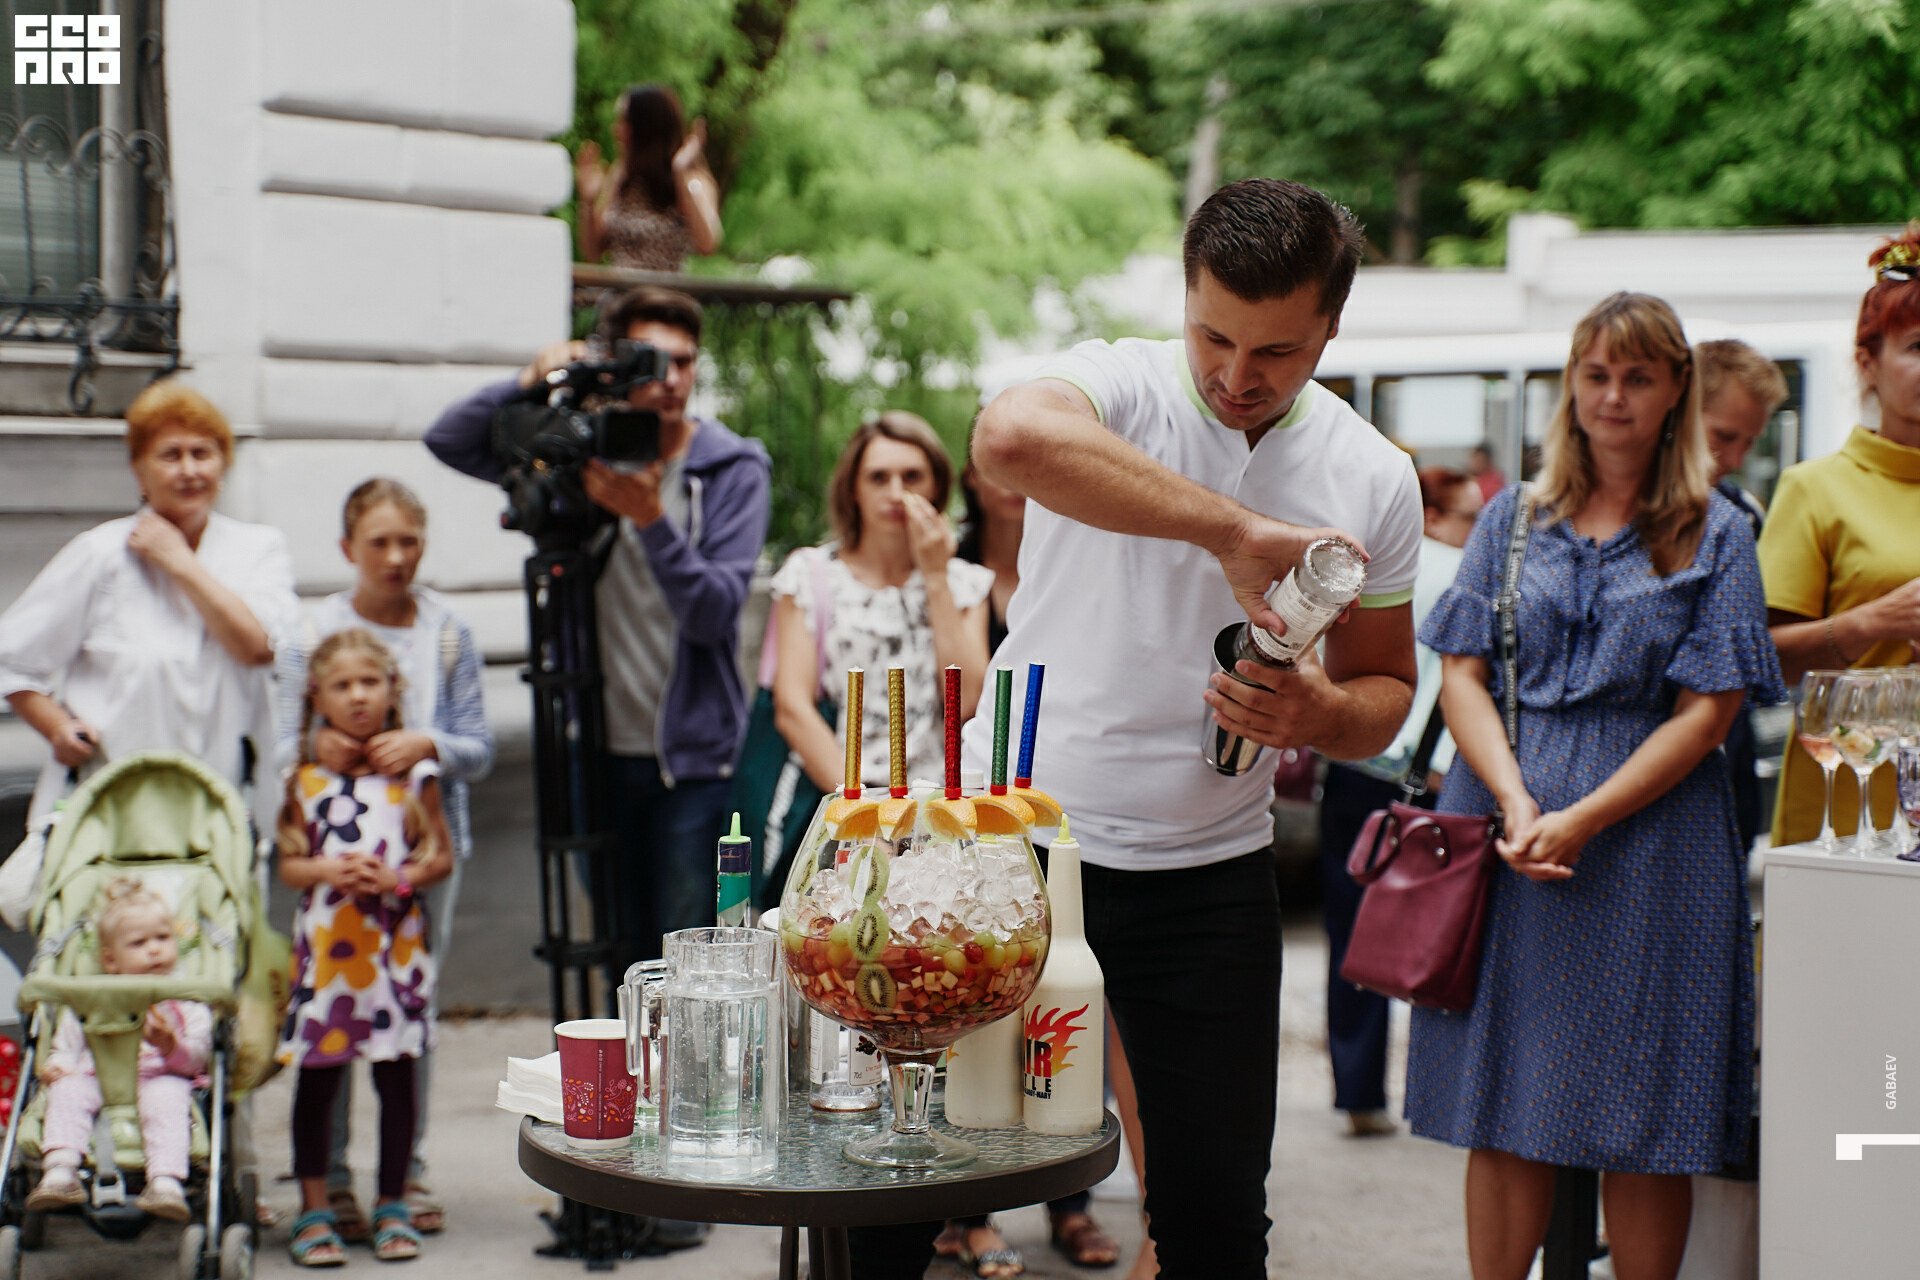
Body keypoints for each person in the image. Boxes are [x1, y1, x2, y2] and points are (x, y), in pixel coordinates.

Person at [962, 178, 1425, 1278]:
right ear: (1185, 297)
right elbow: (1006, 441)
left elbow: (1387, 690)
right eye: (1213, 334)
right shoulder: (1120, 384)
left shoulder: (1374, 474)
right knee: (916, 1183)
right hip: (1011, 845)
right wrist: (1235, 532)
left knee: (1216, 1222)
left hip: (1208, 873)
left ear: (1331, 329)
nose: (1235, 373)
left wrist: (1321, 712)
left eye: (1277, 350)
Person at [1404, 292, 1784, 1280]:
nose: (1613, 396)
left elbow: (1707, 713)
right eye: (1597, 374)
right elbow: (1461, 675)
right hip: (1508, 837)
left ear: (1676, 390)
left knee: (1649, 1111)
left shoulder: (1717, 530)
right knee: (1504, 1100)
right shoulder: (1512, 517)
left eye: (1638, 377)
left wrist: (1582, 816)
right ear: (1571, 385)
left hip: (1654, 849)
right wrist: (1517, 801)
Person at [425, 286, 771, 984]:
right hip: (591, 751)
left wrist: (651, 520)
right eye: (650, 361)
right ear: (615, 366)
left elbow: (713, 613)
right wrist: (535, 378)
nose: (670, 379)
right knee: (618, 957)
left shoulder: (731, 467)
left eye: (684, 362)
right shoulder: (582, 452)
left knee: (686, 964)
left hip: (690, 765)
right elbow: (449, 439)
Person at [274, 478, 495, 1242]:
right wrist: (317, 745)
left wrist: (426, 742)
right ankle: (331, 1179)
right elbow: (283, 744)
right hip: (331, 854)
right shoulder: (310, 634)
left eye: (410, 542)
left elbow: (478, 748)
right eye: (379, 543)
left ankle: (408, 1171)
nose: (396, 557)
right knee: (331, 1024)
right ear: (348, 548)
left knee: (407, 1015)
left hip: (420, 846)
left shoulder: (447, 633)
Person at [0, 380, 298, 835]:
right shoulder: (100, 554)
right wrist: (57, 728)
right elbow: (12, 660)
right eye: (170, 455)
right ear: (139, 471)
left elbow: (258, 647)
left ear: (223, 464)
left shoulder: (258, 549)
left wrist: (179, 562)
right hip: (113, 806)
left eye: (202, 453)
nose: (189, 470)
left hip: (221, 807)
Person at [277, 630, 454, 1266]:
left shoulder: (414, 777)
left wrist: (397, 879)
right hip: (328, 959)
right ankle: (315, 1209)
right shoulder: (305, 780)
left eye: (370, 683)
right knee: (318, 1082)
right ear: (317, 697)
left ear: (392, 690)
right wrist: (328, 870)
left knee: (396, 1079)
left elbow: (440, 856)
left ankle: (392, 1203)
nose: (357, 697)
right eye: (342, 685)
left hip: (392, 958)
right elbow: (289, 866)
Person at [1316, 464, 1481, 1140]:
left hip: (1356, 767)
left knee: (1351, 934)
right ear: (1432, 518)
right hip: (1435, 780)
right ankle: (1442, 1091)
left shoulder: (1371, 571)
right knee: (1444, 933)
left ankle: (1359, 1093)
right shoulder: (1463, 572)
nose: (1478, 529)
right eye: (1469, 516)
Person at [1758, 224, 1920, 844]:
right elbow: (1760, 658)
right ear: (1867, 363)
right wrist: (1875, 621)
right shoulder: (1814, 488)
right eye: (1917, 346)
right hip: (1843, 802)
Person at [769, 412, 991, 796]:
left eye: (912, 477)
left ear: (937, 485)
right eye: (878, 477)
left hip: (936, 801)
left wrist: (935, 577)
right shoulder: (808, 575)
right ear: (853, 488)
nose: (896, 492)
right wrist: (861, 804)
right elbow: (792, 708)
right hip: (842, 797)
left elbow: (969, 702)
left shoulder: (965, 584)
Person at [27, 877, 213, 1223]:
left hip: (159, 1075)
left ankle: (165, 1181)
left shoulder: (186, 998)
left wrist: (171, 1045)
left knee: (168, 1099)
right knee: (67, 1091)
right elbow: (70, 1039)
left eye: (163, 938)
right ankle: (60, 1172)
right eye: (139, 943)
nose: (154, 949)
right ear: (111, 960)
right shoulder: (95, 995)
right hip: (96, 1074)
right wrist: (60, 1063)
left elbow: (199, 1057)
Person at [1695, 340, 1789, 852]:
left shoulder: (1743, 515)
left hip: (1728, 776)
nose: (1732, 459)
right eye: (1722, 437)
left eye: (1748, 443)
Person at [574, 83, 722, 271]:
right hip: (620, 288)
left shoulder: (692, 179)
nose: (616, 130)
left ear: (645, 128)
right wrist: (588, 201)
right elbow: (593, 251)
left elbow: (707, 243)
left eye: (624, 122)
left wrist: (679, 173)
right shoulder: (621, 175)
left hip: (665, 289)